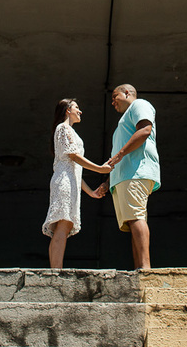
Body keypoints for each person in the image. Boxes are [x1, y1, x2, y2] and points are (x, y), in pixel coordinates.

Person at [42, 98, 112, 269]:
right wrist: (99, 169)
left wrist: (91, 192)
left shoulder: (69, 131)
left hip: (70, 181)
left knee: (64, 226)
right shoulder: (63, 128)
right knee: (63, 223)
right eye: (76, 108)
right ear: (67, 110)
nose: (80, 111)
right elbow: (73, 156)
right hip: (64, 182)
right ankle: (56, 270)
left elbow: (75, 169)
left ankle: (55, 269)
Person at [97, 84, 159, 270]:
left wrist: (119, 155)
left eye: (115, 96)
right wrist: (108, 183)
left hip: (135, 172)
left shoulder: (139, 104)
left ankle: (145, 269)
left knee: (137, 218)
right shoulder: (124, 121)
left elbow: (144, 130)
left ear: (126, 93)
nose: (113, 101)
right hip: (124, 176)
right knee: (133, 221)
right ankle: (139, 269)